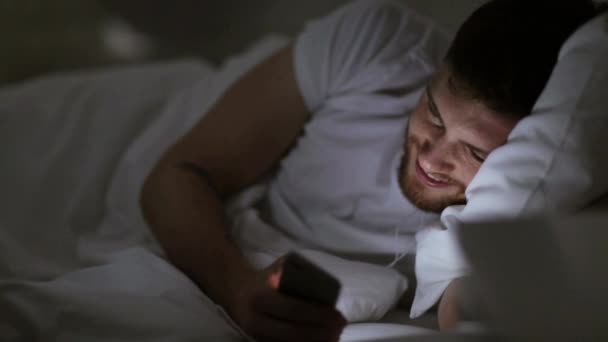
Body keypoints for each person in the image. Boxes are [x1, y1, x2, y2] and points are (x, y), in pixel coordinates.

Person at [136, 0, 604, 340]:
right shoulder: (375, 44)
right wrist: (235, 288)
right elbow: (180, 172)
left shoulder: (554, 191)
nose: (432, 158)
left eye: (477, 154)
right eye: (433, 114)